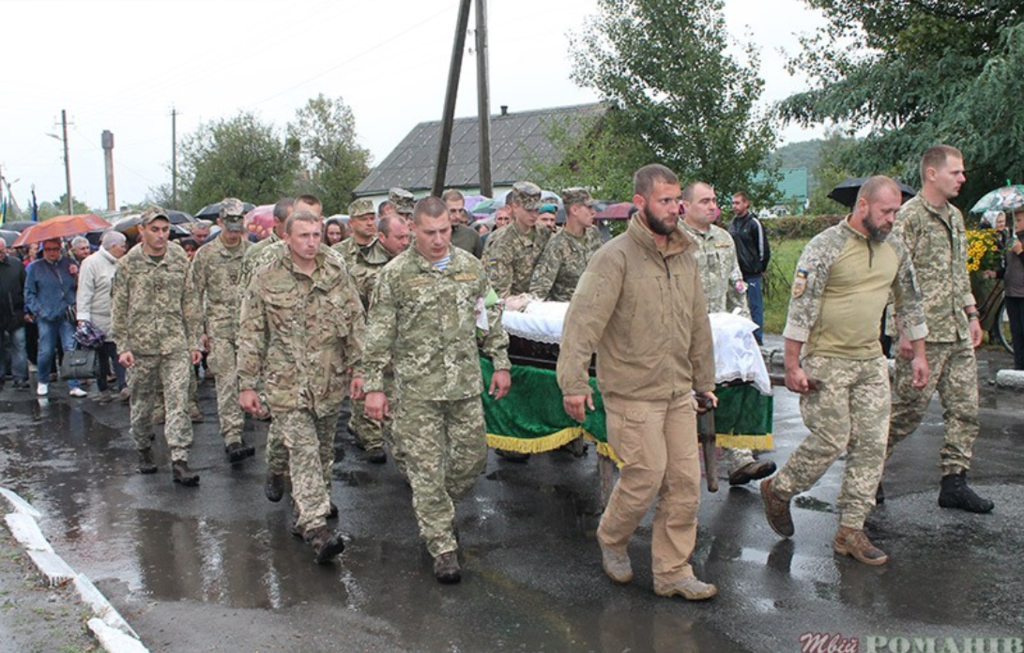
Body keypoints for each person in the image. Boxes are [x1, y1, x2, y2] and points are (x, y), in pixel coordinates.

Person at [557, 164, 718, 601]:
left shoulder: (685, 254)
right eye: (664, 201)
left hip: (676, 391)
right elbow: (581, 323)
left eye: (676, 200)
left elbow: (698, 323)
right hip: (631, 391)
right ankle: (611, 537)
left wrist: (704, 380)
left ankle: (672, 572)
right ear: (641, 203)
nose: (674, 209)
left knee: (685, 484)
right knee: (645, 476)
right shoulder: (615, 257)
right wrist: (573, 382)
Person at [759, 176, 929, 565]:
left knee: (872, 443)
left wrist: (919, 354)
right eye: (886, 211)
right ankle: (780, 489)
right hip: (826, 359)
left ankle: (851, 529)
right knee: (833, 437)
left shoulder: (895, 248)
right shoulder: (825, 247)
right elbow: (800, 310)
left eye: (896, 212)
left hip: (870, 360)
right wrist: (792, 365)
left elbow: (911, 304)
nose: (892, 219)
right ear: (863, 206)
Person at [362, 196, 512, 584]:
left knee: (470, 462)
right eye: (430, 232)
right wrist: (375, 388)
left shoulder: (470, 268)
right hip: (417, 391)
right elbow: (378, 336)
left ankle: (437, 512)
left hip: (463, 385)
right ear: (413, 229)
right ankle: (442, 546)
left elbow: (490, 317)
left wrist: (500, 363)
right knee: (426, 472)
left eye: (445, 230)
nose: (440, 239)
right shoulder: (395, 275)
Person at [238, 209, 362, 564]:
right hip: (285, 380)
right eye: (303, 236)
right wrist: (247, 383)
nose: (311, 242)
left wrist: (361, 370)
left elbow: (355, 322)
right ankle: (316, 527)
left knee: (322, 451)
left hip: (328, 379)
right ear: (287, 237)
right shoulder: (267, 275)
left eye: (316, 235)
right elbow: (250, 332)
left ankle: (296, 504)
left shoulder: (336, 271)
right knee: (305, 449)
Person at [885, 144, 993, 513]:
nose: (962, 178)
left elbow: (958, 271)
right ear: (932, 173)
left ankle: (955, 482)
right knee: (905, 413)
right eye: (956, 172)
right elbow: (893, 278)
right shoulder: (908, 217)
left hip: (957, 329)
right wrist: (901, 330)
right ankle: (868, 473)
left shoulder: (956, 217)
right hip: (922, 334)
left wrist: (972, 313)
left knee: (966, 410)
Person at [678, 182, 776, 486]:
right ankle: (678, 467)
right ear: (685, 206)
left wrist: (746, 328)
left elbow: (737, 284)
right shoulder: (674, 239)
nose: (712, 206)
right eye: (704, 201)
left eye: (714, 200)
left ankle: (740, 459)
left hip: (721, 334)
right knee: (685, 400)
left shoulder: (724, 238)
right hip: (684, 334)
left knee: (734, 389)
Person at [111, 207, 202, 485]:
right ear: (142, 231)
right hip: (141, 347)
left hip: (174, 342)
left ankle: (179, 459)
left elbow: (190, 300)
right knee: (142, 404)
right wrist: (122, 345)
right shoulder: (128, 264)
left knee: (178, 402)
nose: (161, 235)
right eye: (155, 230)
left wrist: (194, 340)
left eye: (164, 230)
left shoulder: (178, 258)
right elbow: (119, 307)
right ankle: (143, 447)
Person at [186, 198, 257, 464]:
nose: (235, 227)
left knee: (254, 380)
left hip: (250, 328)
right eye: (230, 221)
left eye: (239, 221)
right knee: (227, 381)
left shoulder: (252, 252)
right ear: (220, 222)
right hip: (220, 328)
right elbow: (194, 295)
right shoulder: (206, 255)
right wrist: (198, 334)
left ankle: (258, 422)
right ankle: (232, 436)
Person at [333, 198, 392, 464]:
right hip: (351, 326)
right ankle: (371, 438)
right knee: (360, 378)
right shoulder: (338, 254)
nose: (370, 222)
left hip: (381, 325)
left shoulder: (385, 250)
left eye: (372, 217)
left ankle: (367, 427)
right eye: (364, 218)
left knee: (381, 380)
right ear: (351, 223)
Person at [25, 238, 85, 397]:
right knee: (46, 351)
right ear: (43, 250)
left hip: (66, 313)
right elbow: (29, 292)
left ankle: (74, 384)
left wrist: (76, 274)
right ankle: (43, 381)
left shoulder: (69, 263)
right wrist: (38, 310)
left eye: (55, 249)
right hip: (46, 315)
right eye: (48, 249)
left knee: (70, 349)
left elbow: (81, 287)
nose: (52, 252)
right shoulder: (35, 268)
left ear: (60, 249)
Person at [76, 230, 128, 403]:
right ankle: (103, 388)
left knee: (118, 350)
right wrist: (83, 319)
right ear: (113, 246)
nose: (125, 249)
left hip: (117, 317)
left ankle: (124, 386)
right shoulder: (90, 263)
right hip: (97, 318)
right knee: (100, 356)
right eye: (122, 246)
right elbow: (84, 292)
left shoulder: (122, 262)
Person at [529, 187, 602, 302]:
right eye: (589, 207)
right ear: (574, 210)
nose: (593, 212)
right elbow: (539, 289)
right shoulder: (557, 245)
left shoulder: (593, 234)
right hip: (568, 310)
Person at [483, 182, 551, 299]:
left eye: (537, 210)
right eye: (529, 210)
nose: (534, 215)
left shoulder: (544, 232)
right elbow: (500, 289)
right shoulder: (502, 240)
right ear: (515, 207)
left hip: (541, 302)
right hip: (514, 306)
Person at [727, 191, 771, 344]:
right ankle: (740, 335)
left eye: (738, 203)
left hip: (752, 272)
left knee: (754, 305)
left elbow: (763, 248)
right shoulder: (732, 225)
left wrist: (760, 267)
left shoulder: (754, 224)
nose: (734, 206)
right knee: (737, 304)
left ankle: (757, 337)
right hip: (737, 273)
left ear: (746, 204)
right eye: (733, 203)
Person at [0, 240, 29, 391]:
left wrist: (26, 310)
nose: (1, 255)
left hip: (16, 313)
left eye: (2, 251)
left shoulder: (16, 265)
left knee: (19, 345)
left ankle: (20, 378)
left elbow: (26, 287)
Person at [1001, 209, 1024, 370]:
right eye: (1015, 220)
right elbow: (1008, 267)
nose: (1016, 224)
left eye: (1020, 220)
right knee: (1016, 332)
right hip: (1011, 292)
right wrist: (995, 273)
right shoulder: (1011, 241)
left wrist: (1021, 252)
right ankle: (1019, 365)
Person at [441, 189, 484, 258]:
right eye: (453, 211)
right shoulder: (431, 235)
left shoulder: (471, 235)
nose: (457, 216)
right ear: (443, 209)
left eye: (460, 210)